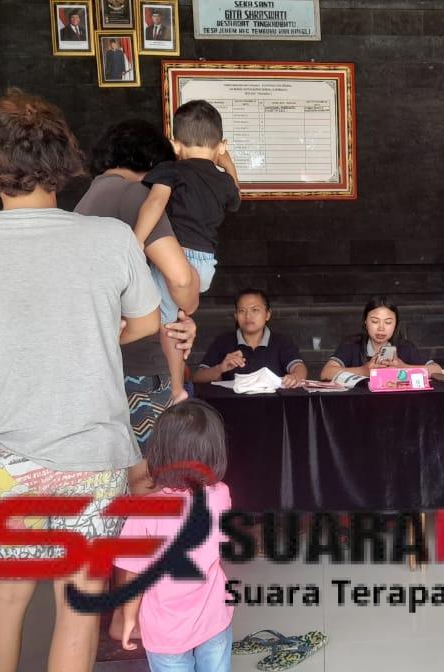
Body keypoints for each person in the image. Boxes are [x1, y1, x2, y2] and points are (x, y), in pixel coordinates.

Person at [0, 89, 161, 672]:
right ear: (63, 159)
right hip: (92, 447)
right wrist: (88, 337)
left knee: (7, 595)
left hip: (12, 452)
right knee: (78, 604)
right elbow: (147, 323)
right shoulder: (110, 238)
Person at [75, 118, 201, 459]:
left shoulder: (85, 202)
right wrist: (189, 303)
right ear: (154, 164)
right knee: (149, 474)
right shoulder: (135, 196)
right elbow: (180, 280)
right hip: (140, 369)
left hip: (98, 367)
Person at [114, 400, 233, 672]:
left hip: (166, 627)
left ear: (159, 453)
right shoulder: (221, 494)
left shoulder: (145, 512)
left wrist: (128, 617)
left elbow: (133, 575)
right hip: (215, 614)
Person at [133, 100, 242, 402]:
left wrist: (135, 242)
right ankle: (177, 382)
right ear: (221, 145)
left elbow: (155, 203)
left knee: (167, 326)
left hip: (176, 259)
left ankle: (176, 388)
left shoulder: (171, 169)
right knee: (179, 321)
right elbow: (236, 197)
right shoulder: (223, 180)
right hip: (205, 266)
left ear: (175, 144)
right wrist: (227, 162)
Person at [195, 289, 306, 388]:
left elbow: (298, 367)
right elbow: (198, 377)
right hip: (233, 403)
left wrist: (295, 376)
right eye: (242, 311)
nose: (248, 316)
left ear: (267, 314)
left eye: (255, 310)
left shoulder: (281, 342)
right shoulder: (222, 342)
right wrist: (220, 368)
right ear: (236, 316)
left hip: (273, 403)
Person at [321, 296, 444, 381]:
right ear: (365, 322)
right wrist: (363, 371)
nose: (381, 328)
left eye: (388, 322)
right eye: (375, 321)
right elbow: (326, 373)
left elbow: (437, 370)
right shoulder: (351, 345)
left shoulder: (405, 347)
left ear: (396, 324)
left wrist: (403, 368)